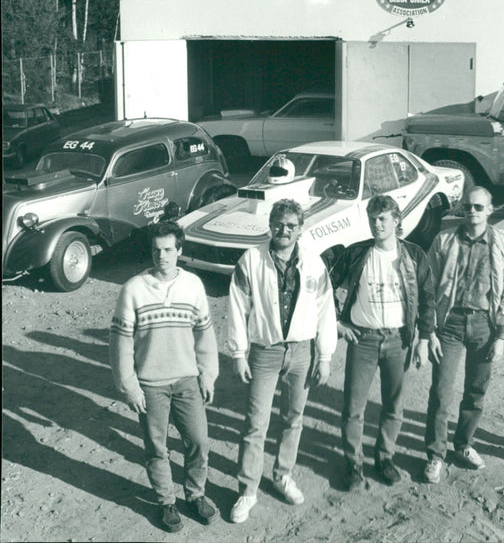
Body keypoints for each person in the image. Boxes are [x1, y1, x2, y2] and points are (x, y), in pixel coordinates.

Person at [227, 198, 337, 523]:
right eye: (278, 224)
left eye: (291, 225)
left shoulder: (315, 264)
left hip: (302, 352)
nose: (284, 230)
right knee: (255, 423)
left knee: (293, 418)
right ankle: (247, 491)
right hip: (265, 352)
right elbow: (236, 307)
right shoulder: (251, 260)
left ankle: (283, 474)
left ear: (300, 228)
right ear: (270, 225)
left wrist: (325, 355)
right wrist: (237, 352)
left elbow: (325, 310)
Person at [109, 220, 219, 533]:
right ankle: (166, 502)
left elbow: (204, 336)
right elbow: (121, 341)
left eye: (169, 249)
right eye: (157, 250)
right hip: (150, 385)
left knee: (198, 441)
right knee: (157, 449)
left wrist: (208, 374)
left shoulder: (193, 286)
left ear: (179, 250)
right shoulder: (133, 289)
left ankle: (196, 494)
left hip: (187, 381)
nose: (162, 256)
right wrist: (128, 383)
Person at [414, 186, 504, 483]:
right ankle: (435, 454)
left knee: (475, 392)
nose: (472, 212)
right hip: (449, 325)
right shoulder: (444, 240)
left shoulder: (503, 244)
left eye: (478, 207)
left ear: (490, 209)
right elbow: (429, 288)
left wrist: (502, 337)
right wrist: (429, 330)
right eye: (468, 207)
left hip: (485, 326)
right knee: (441, 392)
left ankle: (464, 444)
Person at [330, 195, 435, 490]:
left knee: (394, 404)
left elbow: (428, 298)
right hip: (362, 339)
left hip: (398, 339)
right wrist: (337, 321)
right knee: (353, 406)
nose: (377, 224)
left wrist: (424, 338)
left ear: (397, 220)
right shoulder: (356, 254)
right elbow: (326, 284)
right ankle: (353, 463)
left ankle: (385, 457)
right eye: (373, 219)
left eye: (383, 219)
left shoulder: (413, 256)